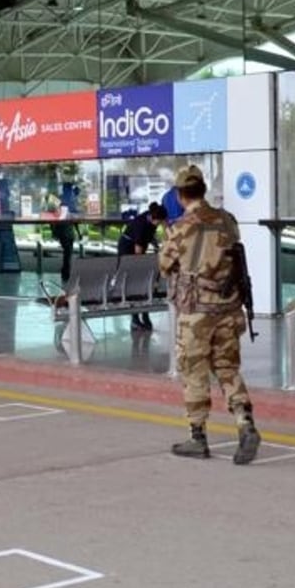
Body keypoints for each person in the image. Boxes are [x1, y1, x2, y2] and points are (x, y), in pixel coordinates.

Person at [158, 165, 260, 465]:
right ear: (202, 190)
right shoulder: (228, 221)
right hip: (228, 309)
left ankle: (197, 437)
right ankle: (245, 424)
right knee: (227, 368)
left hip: (196, 314)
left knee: (194, 371)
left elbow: (164, 265)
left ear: (179, 195)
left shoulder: (180, 227)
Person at [119, 202, 168, 330]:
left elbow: (150, 236)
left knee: (145, 284)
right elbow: (138, 253)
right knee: (134, 283)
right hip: (128, 251)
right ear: (153, 218)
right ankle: (135, 318)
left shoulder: (150, 218)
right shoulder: (141, 225)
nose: (161, 224)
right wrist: (143, 266)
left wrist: (157, 245)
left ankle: (145, 315)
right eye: (160, 222)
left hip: (137, 249)